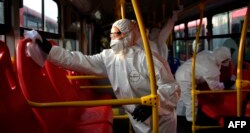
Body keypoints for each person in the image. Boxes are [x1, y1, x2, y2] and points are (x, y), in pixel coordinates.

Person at [33, 19, 180, 133]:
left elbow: (171, 87)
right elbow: (78, 60)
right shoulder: (109, 57)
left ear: (128, 35)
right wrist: (50, 50)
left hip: (161, 118)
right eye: (111, 34)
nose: (112, 38)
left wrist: (152, 105)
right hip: (137, 118)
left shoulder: (148, 58)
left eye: (116, 34)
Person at [175, 46, 234, 132]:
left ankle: (180, 118)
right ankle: (191, 124)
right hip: (186, 78)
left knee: (182, 99)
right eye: (226, 61)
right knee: (191, 102)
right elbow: (215, 88)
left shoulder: (208, 53)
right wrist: (227, 84)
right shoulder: (211, 69)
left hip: (180, 72)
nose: (227, 63)